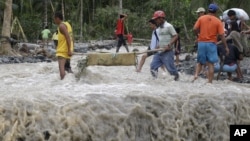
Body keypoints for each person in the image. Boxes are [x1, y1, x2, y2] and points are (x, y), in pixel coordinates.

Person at [192, 3, 229, 83]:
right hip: (211, 44)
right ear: (216, 11)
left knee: (200, 62)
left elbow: (195, 29)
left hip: (201, 43)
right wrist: (226, 46)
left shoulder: (201, 18)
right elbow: (222, 35)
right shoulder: (218, 21)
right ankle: (210, 82)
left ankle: (195, 76)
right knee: (210, 64)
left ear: (208, 10)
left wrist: (198, 35)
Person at [150, 10, 179, 81]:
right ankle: (155, 81)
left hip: (167, 52)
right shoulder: (159, 28)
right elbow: (161, 39)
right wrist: (157, 46)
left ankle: (177, 80)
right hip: (159, 51)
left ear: (161, 18)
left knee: (171, 70)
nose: (156, 21)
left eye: (156, 19)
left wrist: (169, 45)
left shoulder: (169, 26)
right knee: (153, 67)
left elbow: (175, 36)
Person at [54, 12, 74, 80]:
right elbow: (72, 37)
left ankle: (63, 84)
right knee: (68, 68)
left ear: (57, 18)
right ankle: (72, 83)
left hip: (63, 51)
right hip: (68, 50)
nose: (54, 21)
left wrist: (69, 50)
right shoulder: (68, 24)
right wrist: (71, 49)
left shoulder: (61, 26)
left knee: (61, 68)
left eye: (54, 19)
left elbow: (68, 37)